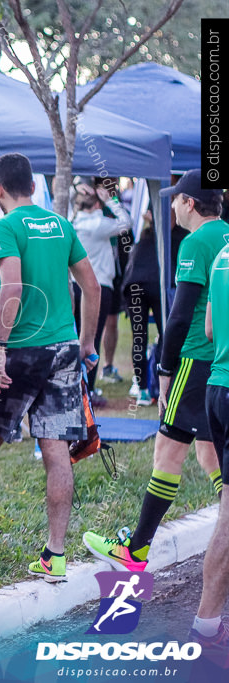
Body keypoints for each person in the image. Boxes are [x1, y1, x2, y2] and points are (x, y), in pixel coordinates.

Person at [0, 153, 101, 582]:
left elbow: (12, 286)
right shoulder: (60, 224)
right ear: (33, 187)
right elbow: (90, 286)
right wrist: (87, 342)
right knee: (56, 450)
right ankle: (55, 554)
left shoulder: (3, 226)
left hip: (20, 350)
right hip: (63, 349)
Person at [84, 170, 226, 571]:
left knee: (167, 452)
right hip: (221, 361)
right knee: (209, 452)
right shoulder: (227, 236)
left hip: (196, 360)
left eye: (178, 199)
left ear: (190, 204)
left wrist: (164, 369)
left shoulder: (195, 243)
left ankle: (136, 550)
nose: (174, 206)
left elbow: (179, 315)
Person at [189, 241, 229, 654]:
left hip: (218, 387)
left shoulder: (221, 255)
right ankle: (205, 626)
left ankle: (207, 624)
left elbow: (211, 330)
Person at [122, 210, 189, 405]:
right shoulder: (177, 236)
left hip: (137, 284)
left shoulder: (149, 234)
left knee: (147, 336)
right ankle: (149, 386)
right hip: (150, 285)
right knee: (162, 335)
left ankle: (146, 387)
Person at [71, 181, 131, 393]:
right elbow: (126, 222)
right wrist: (111, 201)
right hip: (99, 287)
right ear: (97, 204)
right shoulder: (100, 224)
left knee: (75, 335)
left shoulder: (73, 222)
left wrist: (77, 188)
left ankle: (75, 385)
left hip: (74, 286)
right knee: (92, 338)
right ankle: (88, 388)